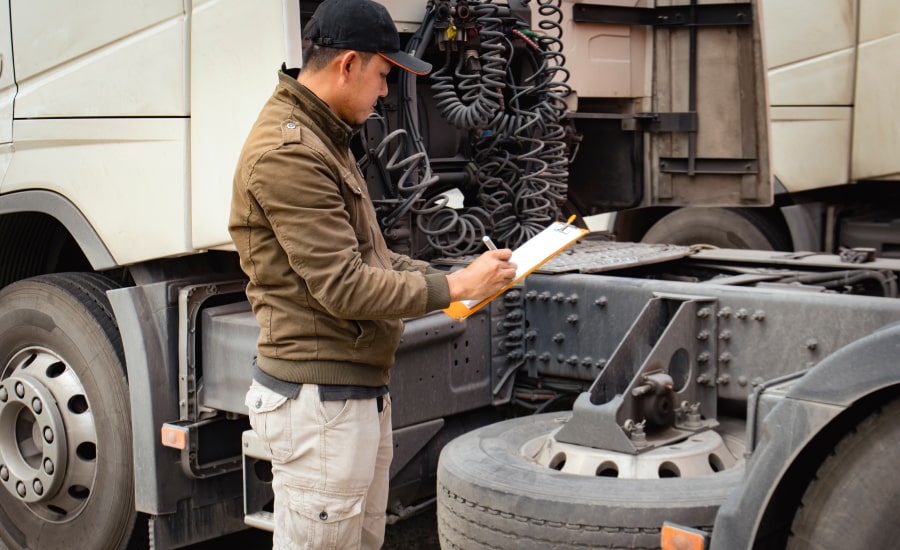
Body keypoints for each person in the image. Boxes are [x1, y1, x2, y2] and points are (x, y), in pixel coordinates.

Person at [228, 0, 517, 548]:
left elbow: (373, 259)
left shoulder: (323, 141)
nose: (386, 92)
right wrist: (455, 288)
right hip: (320, 405)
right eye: (384, 75)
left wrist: (463, 275)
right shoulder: (290, 154)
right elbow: (343, 285)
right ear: (349, 65)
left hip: (344, 399)